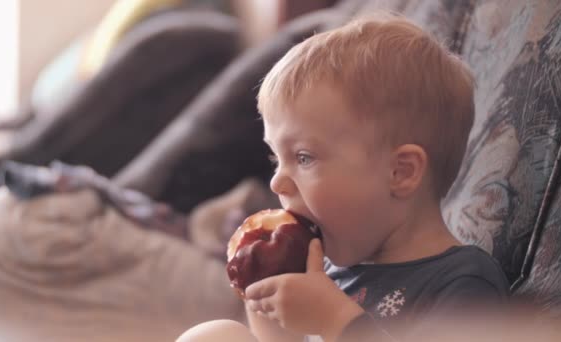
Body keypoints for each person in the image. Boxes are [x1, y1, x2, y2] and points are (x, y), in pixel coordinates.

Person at [177, 11, 509, 342]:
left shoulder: (463, 284)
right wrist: (268, 312)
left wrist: (338, 321)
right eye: (275, 158)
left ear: (401, 172)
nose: (277, 182)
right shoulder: (325, 271)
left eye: (303, 157)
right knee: (215, 335)